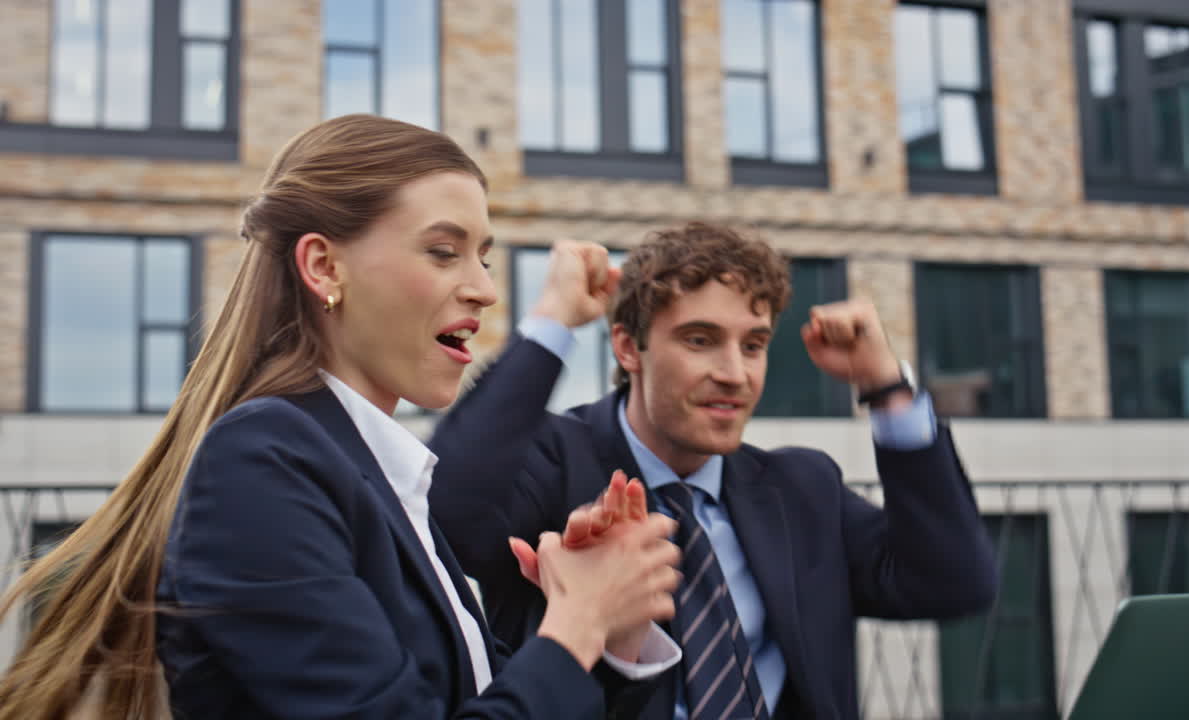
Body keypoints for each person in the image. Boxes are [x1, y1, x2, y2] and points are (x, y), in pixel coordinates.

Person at [0, 115, 684, 720]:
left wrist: (611, 633)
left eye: (482, 254)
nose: (482, 287)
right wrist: (576, 624)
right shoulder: (261, 462)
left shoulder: (381, 480)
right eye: (443, 251)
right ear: (324, 267)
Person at [429, 223, 999, 719]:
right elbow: (445, 515)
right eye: (700, 340)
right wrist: (554, 320)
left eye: (753, 345)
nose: (734, 373)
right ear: (628, 348)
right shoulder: (548, 460)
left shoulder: (802, 488)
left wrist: (887, 390)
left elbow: (953, 583)